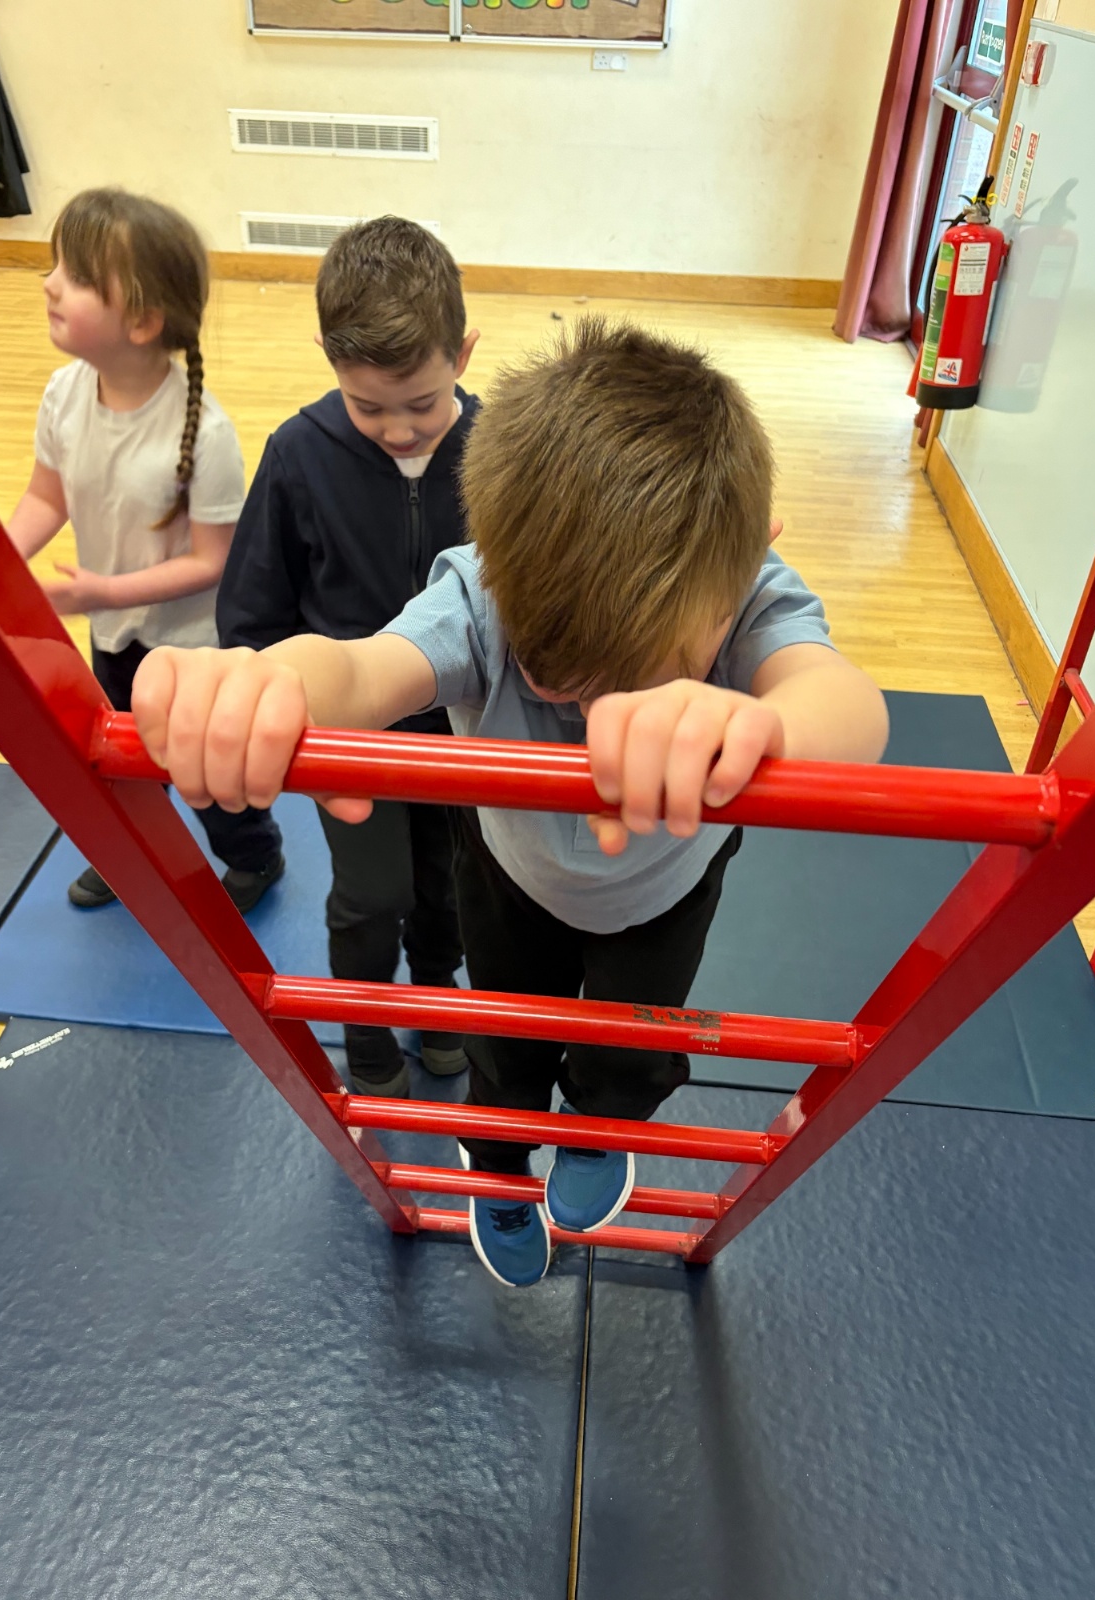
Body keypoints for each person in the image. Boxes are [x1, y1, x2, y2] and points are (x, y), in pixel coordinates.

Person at [131, 319, 889, 1289]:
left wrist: (765, 724)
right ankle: (495, 1164)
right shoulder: (487, 591)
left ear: (746, 566)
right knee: (503, 1041)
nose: (574, 700)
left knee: (632, 1050)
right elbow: (364, 669)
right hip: (510, 877)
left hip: (665, 888)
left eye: (632, 672)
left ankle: (599, 1129)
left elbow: (847, 706)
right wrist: (269, 682)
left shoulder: (742, 589)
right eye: (545, 670)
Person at [217, 217, 480, 1099]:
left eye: (423, 404)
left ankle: (436, 998)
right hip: (349, 738)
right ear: (330, 364)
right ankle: (365, 1034)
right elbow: (251, 613)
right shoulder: (299, 455)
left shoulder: (505, 451)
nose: (399, 429)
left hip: (466, 731)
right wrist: (282, 707)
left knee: (452, 888)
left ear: (463, 355)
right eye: (369, 407)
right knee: (373, 895)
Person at [5, 187, 284, 912]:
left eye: (77, 276)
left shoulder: (207, 435)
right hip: (113, 635)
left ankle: (255, 855)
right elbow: (46, 497)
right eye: (54, 266)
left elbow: (212, 561)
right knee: (120, 763)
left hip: (188, 648)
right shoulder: (63, 394)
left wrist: (102, 591)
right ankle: (131, 852)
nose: (49, 283)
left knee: (206, 776)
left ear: (142, 321)